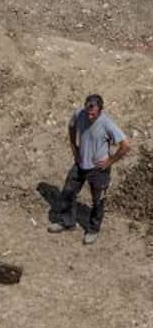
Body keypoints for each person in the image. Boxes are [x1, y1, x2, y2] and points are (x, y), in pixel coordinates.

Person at [50, 94, 132, 245]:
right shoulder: (80, 114)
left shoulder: (107, 123)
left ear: (100, 110)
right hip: (81, 163)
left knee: (98, 201)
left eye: (93, 113)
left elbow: (126, 145)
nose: (90, 116)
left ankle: (93, 229)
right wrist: (74, 147)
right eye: (88, 112)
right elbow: (71, 126)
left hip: (98, 169)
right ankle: (66, 222)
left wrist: (110, 161)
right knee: (68, 191)